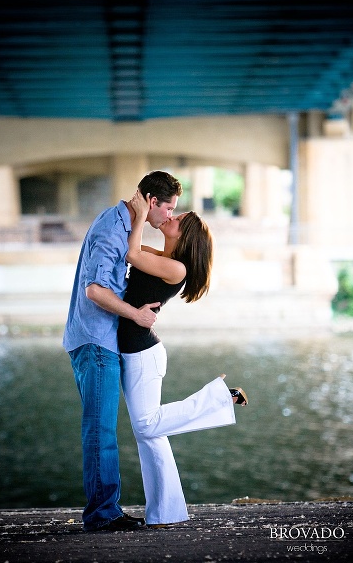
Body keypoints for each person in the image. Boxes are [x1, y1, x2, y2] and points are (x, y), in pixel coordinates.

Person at [119, 189, 249, 529]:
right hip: (136, 351)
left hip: (142, 355)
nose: (171, 217)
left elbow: (131, 253)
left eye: (179, 219)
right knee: (150, 435)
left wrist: (142, 211)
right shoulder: (162, 257)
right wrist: (136, 215)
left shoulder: (176, 268)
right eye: (174, 213)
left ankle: (223, 396)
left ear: (186, 237)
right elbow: (127, 250)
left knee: (147, 425)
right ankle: (166, 513)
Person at [63, 170, 182, 532]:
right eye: (169, 208)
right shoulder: (112, 229)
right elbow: (95, 290)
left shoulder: (122, 223)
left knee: (105, 428)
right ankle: (102, 515)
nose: (170, 216)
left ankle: (105, 510)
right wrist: (137, 315)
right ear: (151, 202)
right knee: (100, 430)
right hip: (96, 340)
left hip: (101, 339)